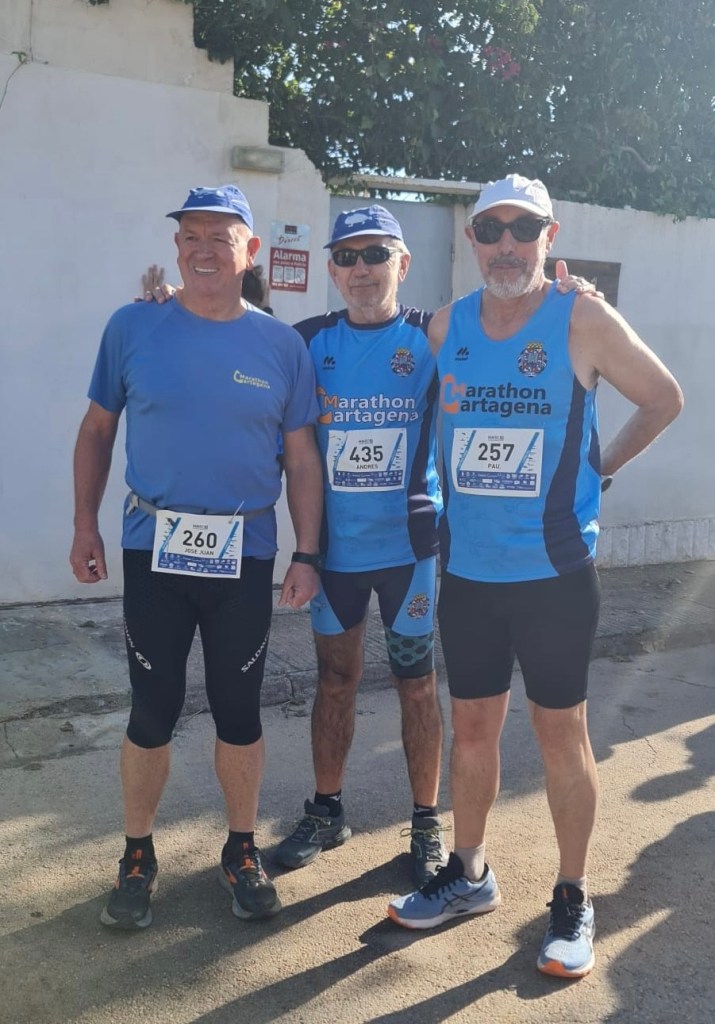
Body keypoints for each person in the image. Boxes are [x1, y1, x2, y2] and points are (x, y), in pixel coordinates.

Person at [387, 174, 684, 979]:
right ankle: (469, 873)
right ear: (473, 240)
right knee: (472, 730)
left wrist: (600, 468)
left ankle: (571, 895)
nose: (507, 244)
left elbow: (662, 398)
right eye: (491, 230)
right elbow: (369, 340)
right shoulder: (446, 324)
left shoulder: (580, 317)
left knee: (561, 735)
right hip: (468, 575)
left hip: (553, 575)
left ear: (549, 237)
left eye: (524, 228)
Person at [70, 184, 323, 930]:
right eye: (191, 236)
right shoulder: (133, 325)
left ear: (251, 251)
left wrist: (307, 552)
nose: (203, 249)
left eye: (221, 236)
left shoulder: (282, 346)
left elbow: (301, 459)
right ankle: (137, 853)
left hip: (245, 553)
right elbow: (96, 430)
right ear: (176, 248)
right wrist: (84, 524)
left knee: (239, 709)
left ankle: (241, 848)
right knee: (152, 707)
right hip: (153, 547)